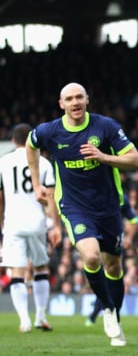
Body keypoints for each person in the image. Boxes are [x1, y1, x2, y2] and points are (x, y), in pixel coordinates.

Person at [26, 82, 138, 346]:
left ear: (87, 100)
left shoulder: (106, 127)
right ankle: (109, 310)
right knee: (90, 256)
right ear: (61, 104)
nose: (75, 102)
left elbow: (136, 160)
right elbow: (30, 144)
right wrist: (36, 182)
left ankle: (115, 314)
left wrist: (104, 157)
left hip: (108, 206)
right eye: (69, 99)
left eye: (79, 97)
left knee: (113, 265)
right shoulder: (50, 131)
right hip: (74, 206)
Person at [0, 123, 62, 333]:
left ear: (14, 141)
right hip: (37, 222)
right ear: (30, 139)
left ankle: (24, 320)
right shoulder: (44, 163)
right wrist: (55, 225)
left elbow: (0, 198)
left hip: (13, 223)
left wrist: (1, 223)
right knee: (40, 268)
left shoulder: (3, 162)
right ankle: (41, 317)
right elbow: (51, 197)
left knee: (17, 272)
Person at [86, 195, 138, 326]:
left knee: (110, 278)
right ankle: (102, 314)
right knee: (106, 281)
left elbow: (134, 220)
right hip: (98, 242)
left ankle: (101, 314)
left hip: (115, 242)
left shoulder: (121, 198)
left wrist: (130, 238)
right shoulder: (90, 194)